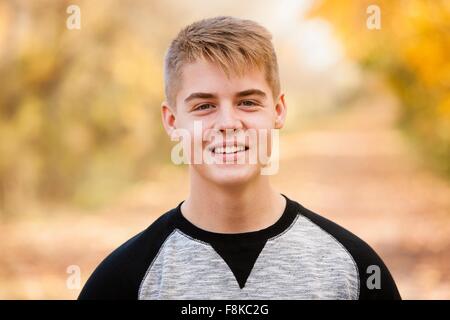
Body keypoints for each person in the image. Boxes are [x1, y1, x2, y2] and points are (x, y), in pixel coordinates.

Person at [78, 16, 401, 300]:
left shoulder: (354, 271)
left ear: (278, 111)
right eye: (204, 106)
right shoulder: (122, 281)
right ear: (172, 121)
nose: (228, 123)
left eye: (247, 102)